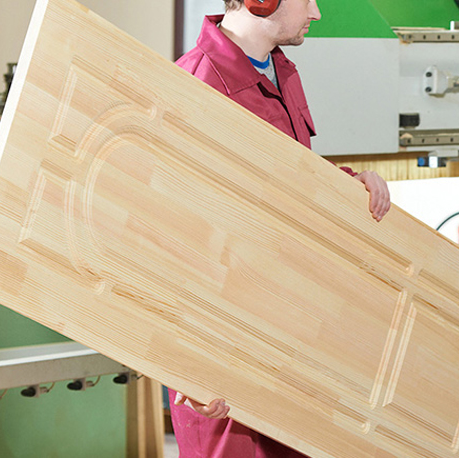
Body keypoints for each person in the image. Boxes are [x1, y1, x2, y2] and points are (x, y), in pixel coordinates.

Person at [170, 1, 391, 456]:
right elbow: (172, 234)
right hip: (226, 360)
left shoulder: (280, 70)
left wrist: (350, 188)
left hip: (290, 335)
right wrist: (187, 368)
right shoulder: (199, 81)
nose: (316, 12)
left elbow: (292, 186)